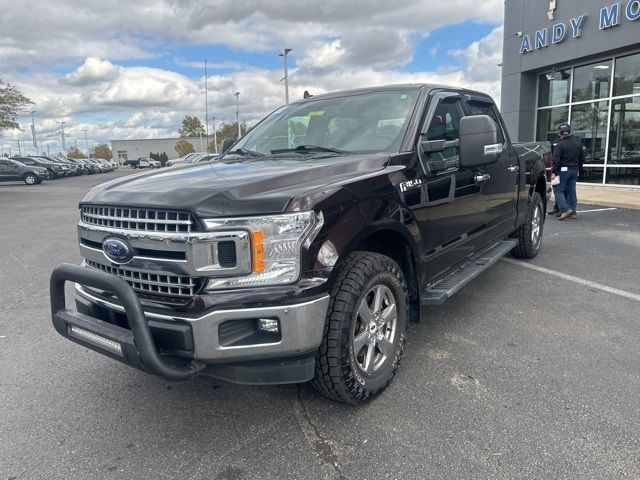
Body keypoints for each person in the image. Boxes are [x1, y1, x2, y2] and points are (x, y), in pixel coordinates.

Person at [552, 123, 584, 221]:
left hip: (563, 170)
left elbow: (556, 161)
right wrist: (578, 168)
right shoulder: (578, 142)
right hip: (574, 170)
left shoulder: (560, 145)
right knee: (571, 190)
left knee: (557, 188)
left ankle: (565, 209)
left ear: (560, 133)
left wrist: (554, 172)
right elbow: (582, 158)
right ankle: (572, 211)